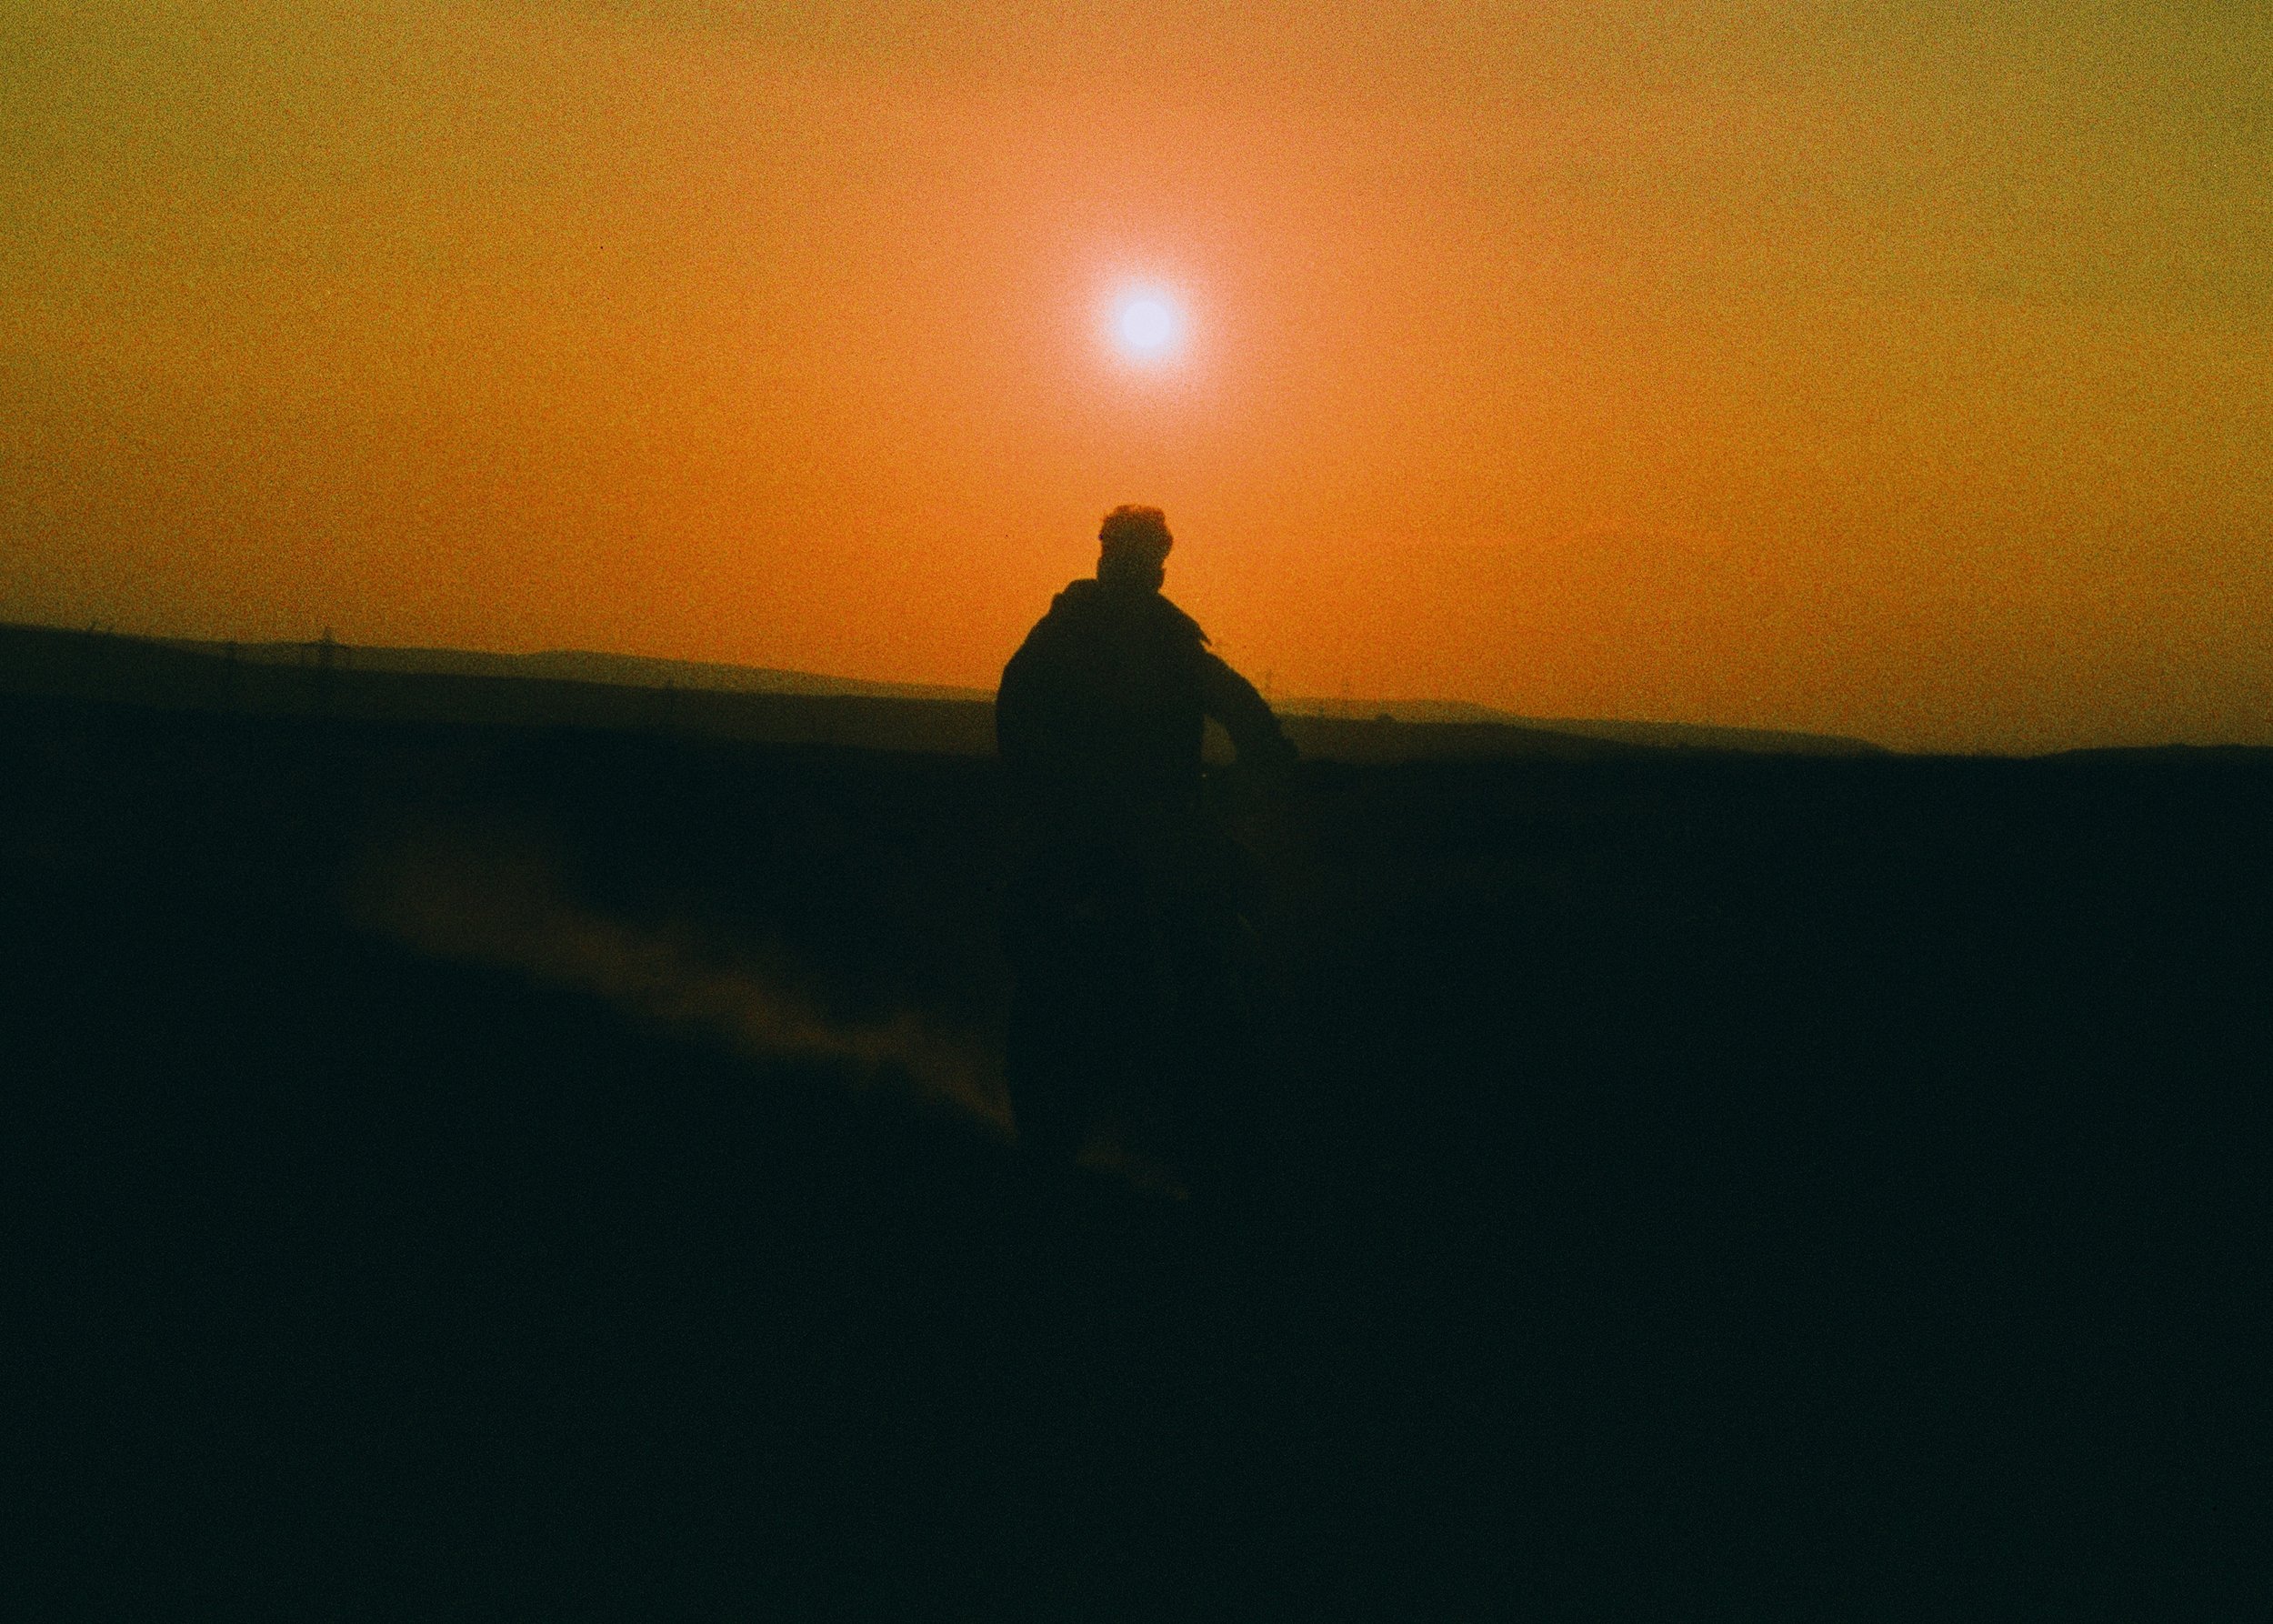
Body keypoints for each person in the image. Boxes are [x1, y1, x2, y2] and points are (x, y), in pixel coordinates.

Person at [996, 505, 1296, 1193]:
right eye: (1140, 557)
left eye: (1144, 557)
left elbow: (1016, 723)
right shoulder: (1134, 640)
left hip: (1113, 835)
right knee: (1218, 952)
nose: (1144, 571)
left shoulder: (1079, 638)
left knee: (1229, 936)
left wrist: (1262, 762)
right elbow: (1244, 715)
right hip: (1123, 837)